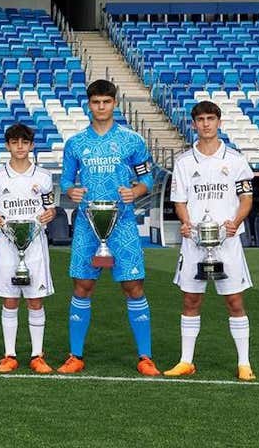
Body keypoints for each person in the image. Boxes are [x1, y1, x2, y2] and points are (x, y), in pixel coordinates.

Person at [58, 79, 159, 376]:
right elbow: (66, 180)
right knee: (82, 285)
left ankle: (145, 357)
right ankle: (75, 355)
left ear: (115, 103)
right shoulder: (75, 143)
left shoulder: (132, 140)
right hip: (89, 225)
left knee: (133, 286)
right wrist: (71, 191)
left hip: (124, 223)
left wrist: (137, 191)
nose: (101, 107)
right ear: (88, 105)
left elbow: (148, 179)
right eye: (95, 102)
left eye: (106, 102)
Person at [164, 101, 256, 381]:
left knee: (235, 300)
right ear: (193, 124)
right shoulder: (183, 162)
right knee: (191, 299)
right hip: (194, 242)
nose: (206, 124)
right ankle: (186, 361)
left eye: (210, 118)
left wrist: (235, 222)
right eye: (201, 119)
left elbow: (246, 199)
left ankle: (244, 363)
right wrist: (186, 223)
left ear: (219, 122)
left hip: (227, 242)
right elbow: (179, 201)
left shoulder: (236, 160)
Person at [0, 123, 57, 374]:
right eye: (15, 143)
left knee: (35, 301)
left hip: (34, 245)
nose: (20, 147)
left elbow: (50, 207)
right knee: (10, 299)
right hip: (7, 244)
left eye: (24, 143)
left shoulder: (43, 177)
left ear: (32, 145)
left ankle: (37, 355)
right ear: (7, 146)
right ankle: (9, 355)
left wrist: (50, 214)